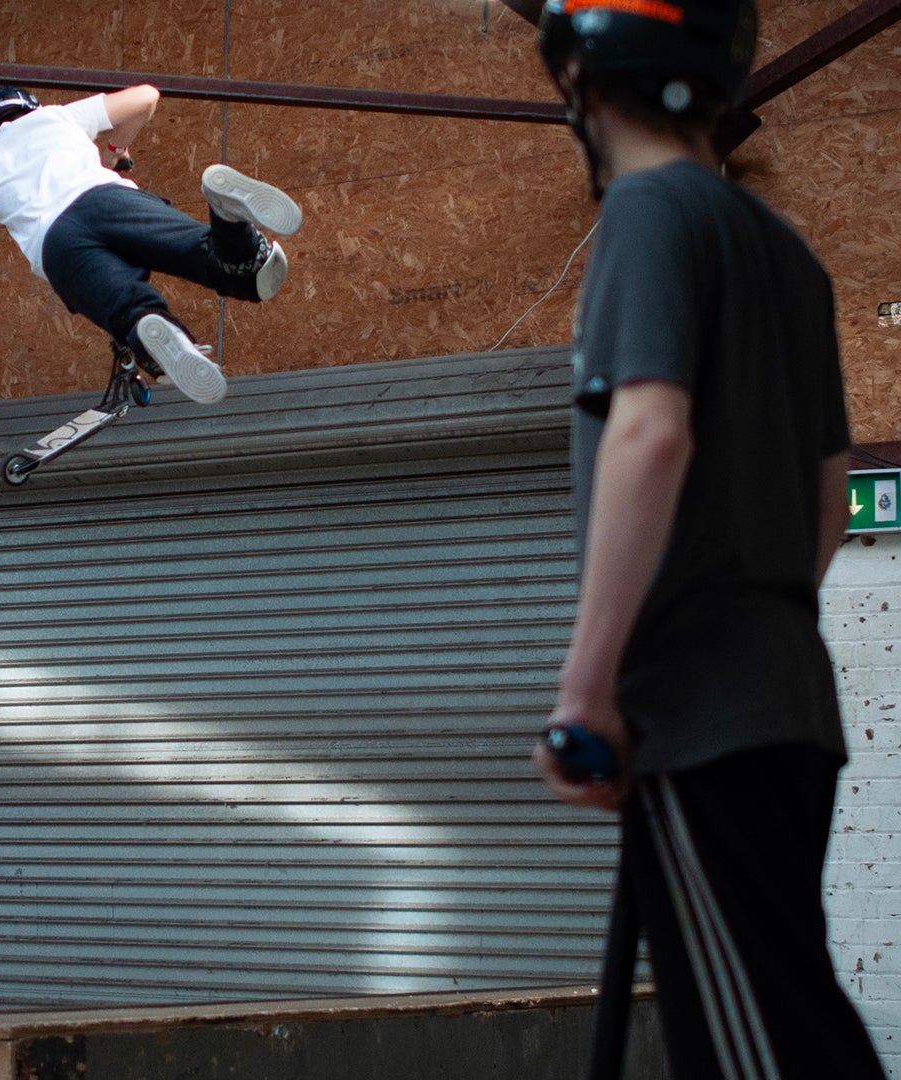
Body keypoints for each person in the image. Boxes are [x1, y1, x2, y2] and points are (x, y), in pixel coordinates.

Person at [529, 1, 883, 1077]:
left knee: (755, 1050)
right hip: (784, 701)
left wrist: (588, 692)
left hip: (695, 710)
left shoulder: (648, 215)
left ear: (583, 84)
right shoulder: (787, 257)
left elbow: (650, 433)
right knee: (782, 1007)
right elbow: (829, 502)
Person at [0, 84, 301, 405]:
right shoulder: (56, 116)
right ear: (30, 107)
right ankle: (227, 216)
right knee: (234, 270)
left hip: (57, 244)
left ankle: (154, 328)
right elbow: (146, 96)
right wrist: (115, 150)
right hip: (108, 200)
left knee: (130, 314)